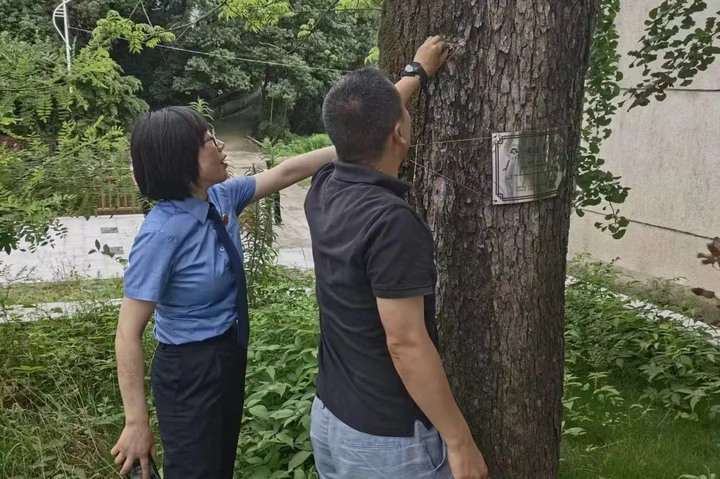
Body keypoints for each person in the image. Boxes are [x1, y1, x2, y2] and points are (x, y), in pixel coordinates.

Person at [110, 106, 335, 479]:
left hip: (227, 355)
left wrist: (355, 142)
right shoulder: (161, 233)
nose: (220, 146)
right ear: (182, 160)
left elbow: (288, 171)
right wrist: (136, 421)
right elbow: (126, 333)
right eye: (208, 141)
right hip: (189, 371)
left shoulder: (221, 198)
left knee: (218, 468)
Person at [305, 36, 489, 479]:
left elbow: (360, 129)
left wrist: (414, 75)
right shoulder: (391, 222)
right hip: (387, 444)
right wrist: (459, 441)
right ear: (399, 133)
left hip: (331, 419)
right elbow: (405, 344)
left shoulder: (323, 186)